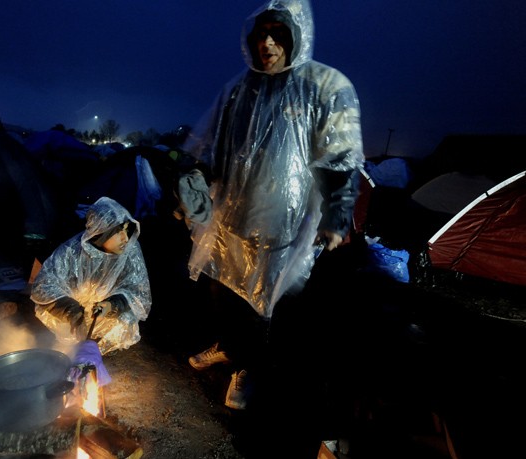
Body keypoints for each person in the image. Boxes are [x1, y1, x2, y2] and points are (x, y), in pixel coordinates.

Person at [178, 0, 364, 422]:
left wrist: (336, 216)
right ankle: (227, 347)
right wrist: (191, 188)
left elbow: (342, 158)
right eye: (260, 34)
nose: (267, 43)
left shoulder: (323, 86)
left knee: (263, 303)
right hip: (230, 216)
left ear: (296, 37)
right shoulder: (239, 89)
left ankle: (248, 370)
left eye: (278, 34)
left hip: (284, 222)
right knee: (222, 289)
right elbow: (209, 145)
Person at [31, 196, 152, 356]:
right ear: (101, 232)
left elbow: (137, 290)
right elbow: (43, 286)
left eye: (127, 230)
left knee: (126, 320)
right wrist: (72, 310)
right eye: (118, 231)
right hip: (74, 308)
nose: (125, 238)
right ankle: (77, 341)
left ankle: (102, 344)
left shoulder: (129, 250)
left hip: (104, 313)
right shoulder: (72, 251)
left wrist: (112, 305)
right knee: (49, 312)